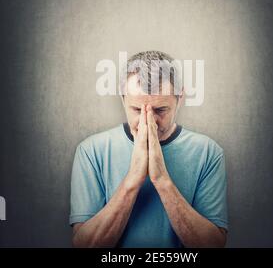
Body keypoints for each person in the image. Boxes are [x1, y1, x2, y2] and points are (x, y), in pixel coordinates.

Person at [69, 50, 228, 248]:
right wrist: (133, 179)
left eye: (160, 110)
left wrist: (161, 180)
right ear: (122, 98)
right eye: (137, 110)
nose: (148, 121)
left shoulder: (208, 153)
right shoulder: (91, 151)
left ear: (180, 98)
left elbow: (213, 246)